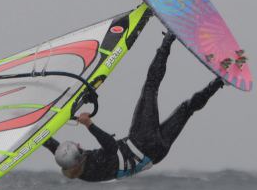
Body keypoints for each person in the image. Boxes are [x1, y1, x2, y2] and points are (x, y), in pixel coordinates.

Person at [43, 32, 229, 181]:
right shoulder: (92, 168)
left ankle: (219, 81)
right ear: (78, 158)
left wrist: (39, 135)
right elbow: (110, 146)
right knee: (150, 86)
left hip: (157, 154)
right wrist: (89, 124)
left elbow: (57, 149)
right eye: (77, 148)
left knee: (186, 109)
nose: (78, 144)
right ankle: (169, 38)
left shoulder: (74, 166)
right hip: (142, 140)